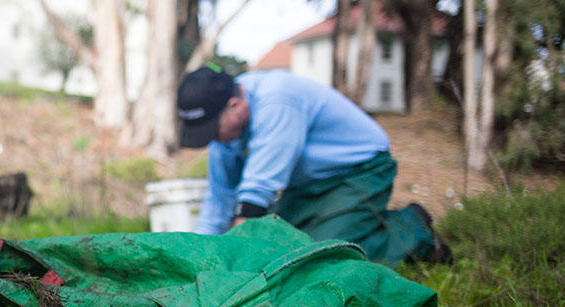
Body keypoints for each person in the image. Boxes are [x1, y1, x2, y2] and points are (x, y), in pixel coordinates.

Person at [176, 64, 451, 266]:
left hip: (359, 169)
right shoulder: (225, 134)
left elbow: (255, 196)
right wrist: (200, 258)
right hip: (307, 183)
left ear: (235, 105)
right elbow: (219, 198)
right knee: (277, 245)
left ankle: (412, 229)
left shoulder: (277, 100)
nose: (213, 139)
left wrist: (230, 263)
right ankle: (360, 222)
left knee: (319, 255)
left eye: (213, 129)